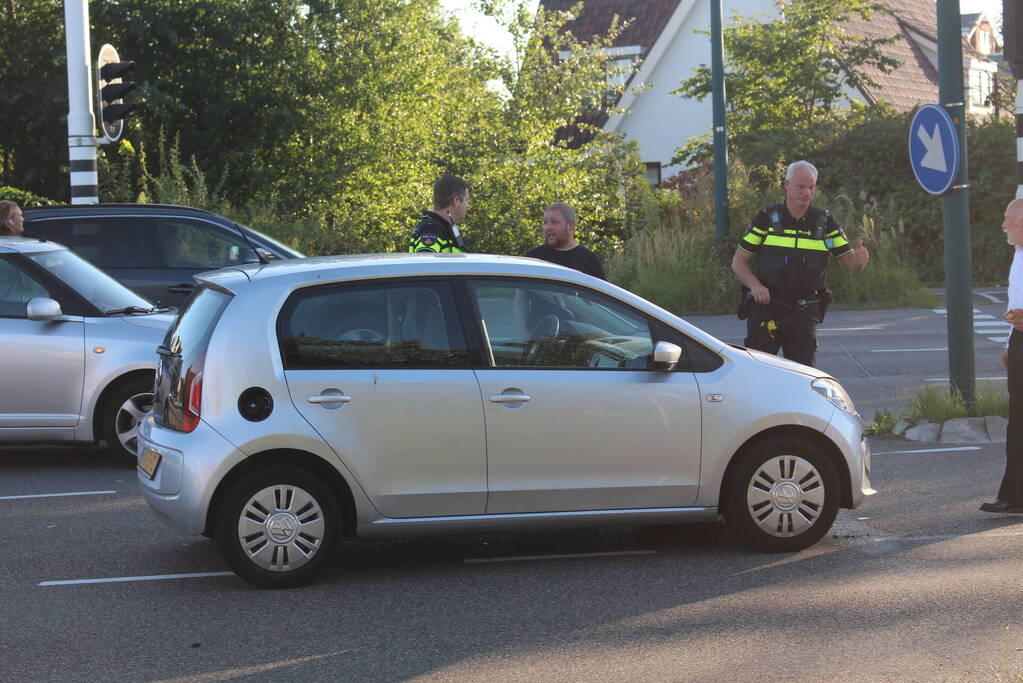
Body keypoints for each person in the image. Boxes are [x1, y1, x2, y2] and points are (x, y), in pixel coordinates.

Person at [731, 160, 869, 367]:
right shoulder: (766, 220)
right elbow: (738, 262)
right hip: (767, 309)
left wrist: (859, 261)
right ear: (787, 185)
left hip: (804, 312)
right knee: (757, 373)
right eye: (801, 186)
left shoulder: (825, 224)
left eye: (811, 187)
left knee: (803, 376)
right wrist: (755, 286)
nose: (807, 192)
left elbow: (851, 265)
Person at [981, 197, 1023, 514]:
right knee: (1017, 422)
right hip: (1020, 341)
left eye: (1007, 219)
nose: (1003, 225)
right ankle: (1013, 494)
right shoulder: (1018, 254)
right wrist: (1010, 344)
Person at [526, 202, 606, 280]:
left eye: (554, 222)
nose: (548, 228)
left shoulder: (589, 261)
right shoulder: (534, 258)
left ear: (570, 226)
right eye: (545, 222)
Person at [408, 175, 469, 253]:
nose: (467, 205)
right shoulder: (431, 230)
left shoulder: (444, 228)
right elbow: (426, 264)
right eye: (466, 200)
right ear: (456, 201)